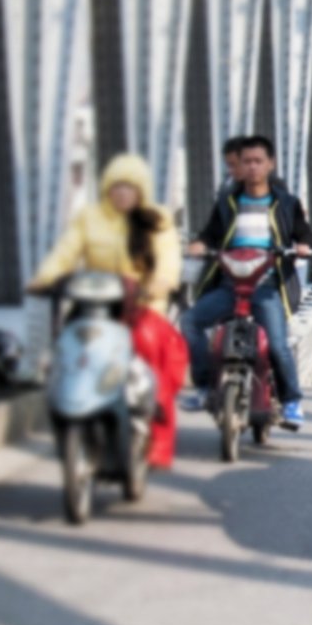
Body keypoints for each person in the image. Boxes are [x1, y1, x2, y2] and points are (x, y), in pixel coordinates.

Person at [28, 153, 188, 468]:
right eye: (116, 186)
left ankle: (155, 435)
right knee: (67, 350)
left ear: (141, 190)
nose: (122, 193)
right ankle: (69, 410)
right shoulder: (90, 217)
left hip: (141, 308)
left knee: (148, 355)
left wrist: (159, 283)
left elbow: (169, 260)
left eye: (129, 187)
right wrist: (44, 279)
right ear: (106, 188)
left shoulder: (157, 220)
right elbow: (65, 253)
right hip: (93, 306)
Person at [181, 136, 312, 429]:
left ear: (270, 164)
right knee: (191, 321)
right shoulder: (229, 202)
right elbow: (210, 234)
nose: (252, 167)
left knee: (277, 344)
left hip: (267, 285)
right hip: (230, 284)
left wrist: (303, 245)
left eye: (258, 161)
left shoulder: (285, 203)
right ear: (238, 165)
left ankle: (291, 401)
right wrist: (200, 245)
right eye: (247, 162)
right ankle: (204, 386)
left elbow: (305, 233)